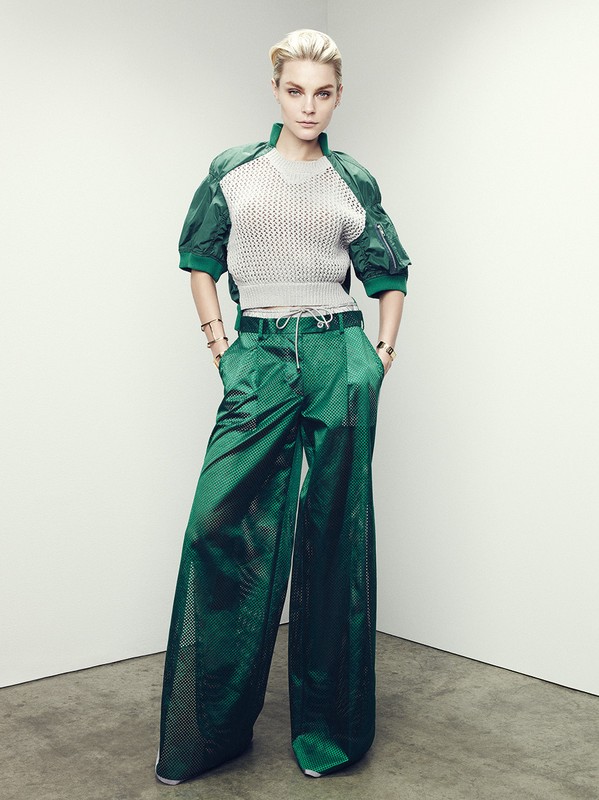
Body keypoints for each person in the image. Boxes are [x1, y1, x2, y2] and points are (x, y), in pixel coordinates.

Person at [155, 29, 411, 784]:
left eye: (322, 93)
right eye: (295, 90)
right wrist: (221, 347)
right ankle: (209, 733)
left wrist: (378, 358)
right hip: (260, 355)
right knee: (217, 526)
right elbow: (200, 260)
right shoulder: (234, 172)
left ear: (338, 97)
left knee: (335, 538)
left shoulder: (351, 179)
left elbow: (388, 273)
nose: (308, 106)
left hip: (338, 354)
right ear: (275, 91)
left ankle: (330, 733)